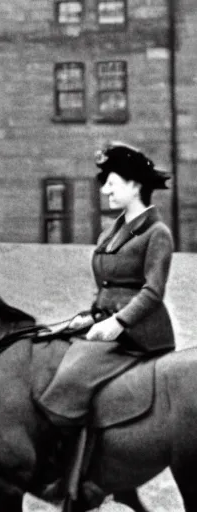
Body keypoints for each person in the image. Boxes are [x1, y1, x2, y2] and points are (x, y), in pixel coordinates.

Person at [37, 141, 175, 502]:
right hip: (104, 322)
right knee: (49, 355)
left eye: (112, 181)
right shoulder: (111, 231)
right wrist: (88, 316)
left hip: (140, 334)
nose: (105, 189)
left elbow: (152, 291)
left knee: (70, 378)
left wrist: (118, 323)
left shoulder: (156, 233)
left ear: (134, 185)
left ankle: (77, 482)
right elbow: (108, 287)